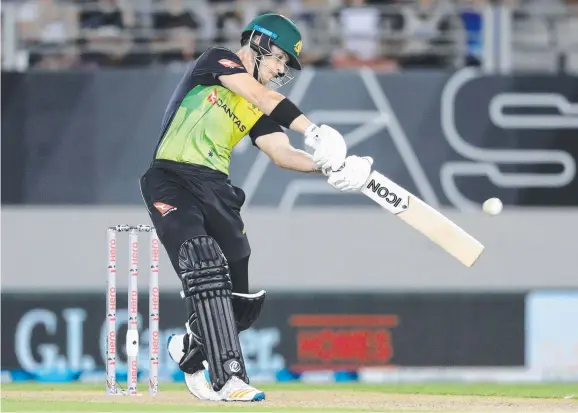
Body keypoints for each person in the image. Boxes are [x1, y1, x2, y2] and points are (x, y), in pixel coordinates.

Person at [139, 13, 373, 402]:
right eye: (279, 57)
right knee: (202, 259)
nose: (281, 68)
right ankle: (228, 377)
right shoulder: (217, 61)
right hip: (172, 178)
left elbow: (282, 154)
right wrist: (313, 129)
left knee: (241, 307)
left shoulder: (257, 108)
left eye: (286, 64)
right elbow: (263, 97)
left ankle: (190, 350)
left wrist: (331, 167)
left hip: (217, 189)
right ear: (259, 42)